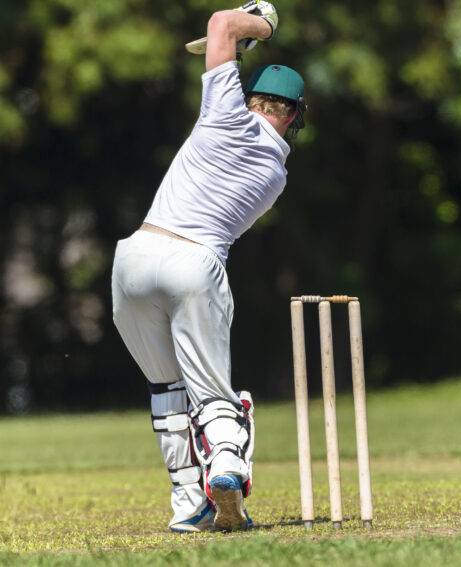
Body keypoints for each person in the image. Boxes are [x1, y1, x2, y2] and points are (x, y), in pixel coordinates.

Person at [111, 1, 307, 531]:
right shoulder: (276, 174)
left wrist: (258, 24)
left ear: (252, 98)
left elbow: (221, 23)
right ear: (291, 116)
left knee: (166, 392)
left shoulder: (224, 111)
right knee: (210, 392)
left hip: (133, 259)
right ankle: (223, 465)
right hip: (194, 263)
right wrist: (252, 37)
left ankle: (187, 507)